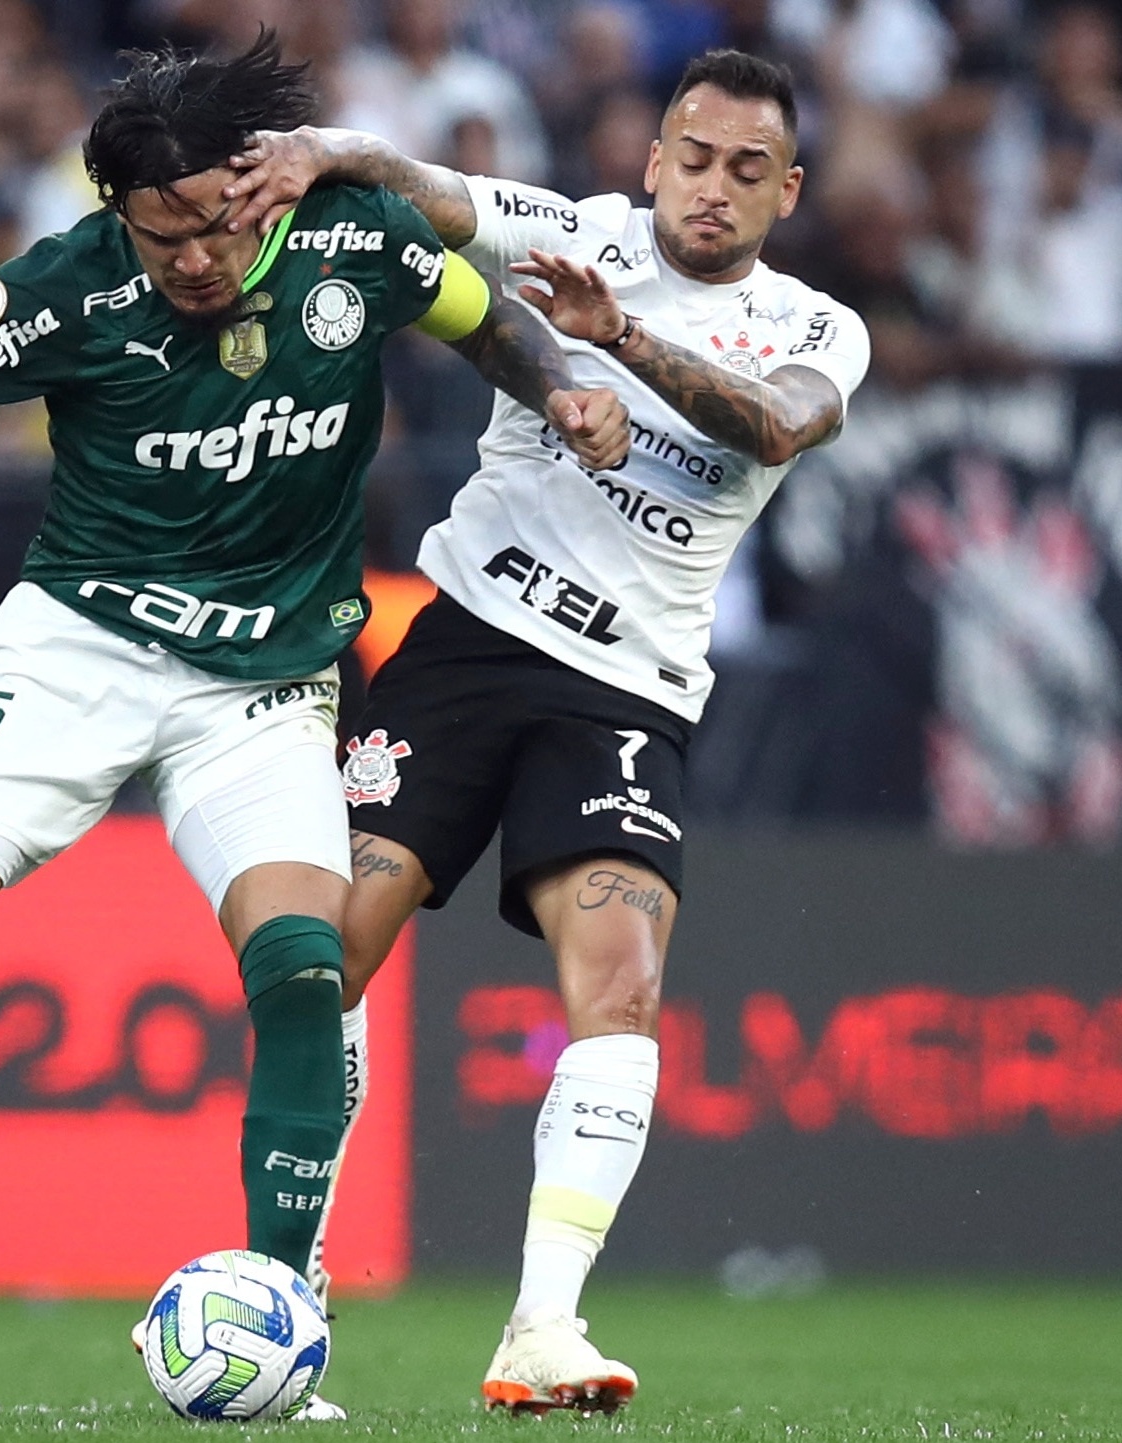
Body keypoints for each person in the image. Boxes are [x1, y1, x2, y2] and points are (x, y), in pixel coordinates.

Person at [0, 33, 627, 1419]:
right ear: (115, 219)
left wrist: (556, 381)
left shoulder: (355, 240)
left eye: (212, 225)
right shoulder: (67, 288)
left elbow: (482, 314)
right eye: (159, 238)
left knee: (302, 973)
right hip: (80, 649)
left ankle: (274, 1313)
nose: (192, 260)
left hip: (263, 681)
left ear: (256, 187)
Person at [225, 46, 871, 1412]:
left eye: (746, 171)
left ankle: (542, 1329)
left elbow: (773, 431)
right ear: (653, 158)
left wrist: (620, 339)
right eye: (693, 158)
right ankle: (290, 1278)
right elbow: (421, 186)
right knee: (323, 956)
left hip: (626, 693)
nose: (712, 188)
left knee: (622, 985)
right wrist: (312, 153)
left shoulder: (819, 329)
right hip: (465, 644)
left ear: (787, 191)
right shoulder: (574, 232)